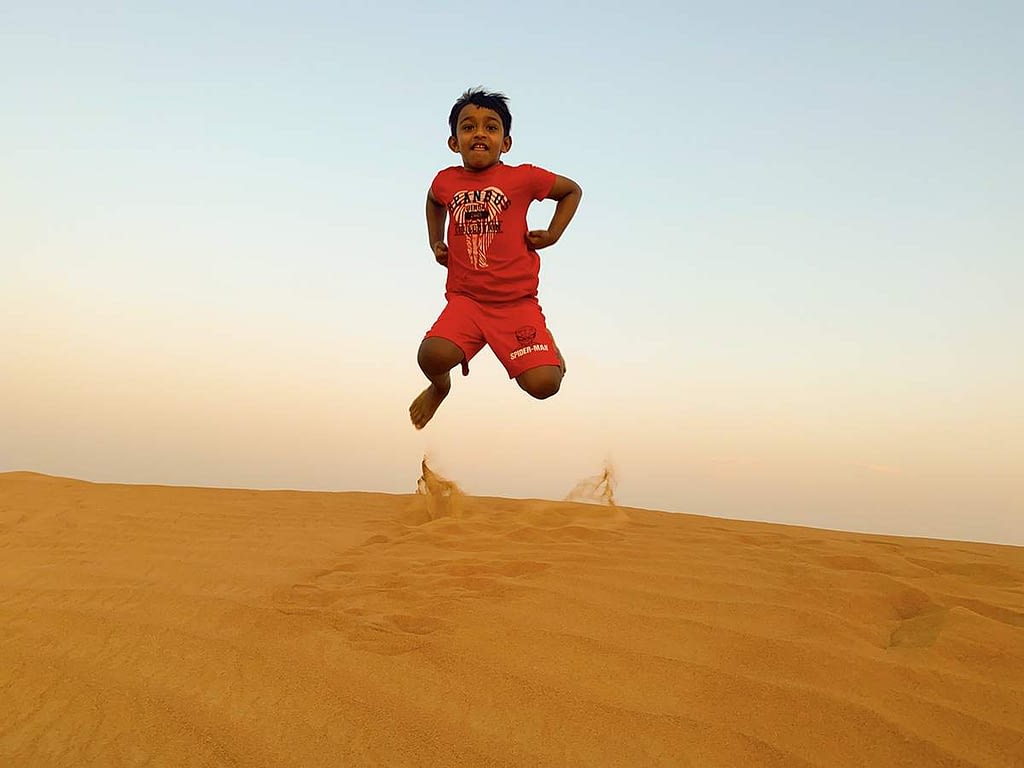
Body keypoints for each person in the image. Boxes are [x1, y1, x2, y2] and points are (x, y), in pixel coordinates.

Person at [409, 87, 583, 430]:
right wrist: (435, 240)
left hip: (515, 305)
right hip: (467, 302)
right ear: (453, 142)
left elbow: (571, 190)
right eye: (468, 126)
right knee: (430, 356)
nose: (479, 133)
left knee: (544, 386)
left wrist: (552, 234)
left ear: (505, 143)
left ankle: (549, 352)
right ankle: (439, 387)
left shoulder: (524, 178)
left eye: (491, 127)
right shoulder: (445, 181)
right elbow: (433, 200)